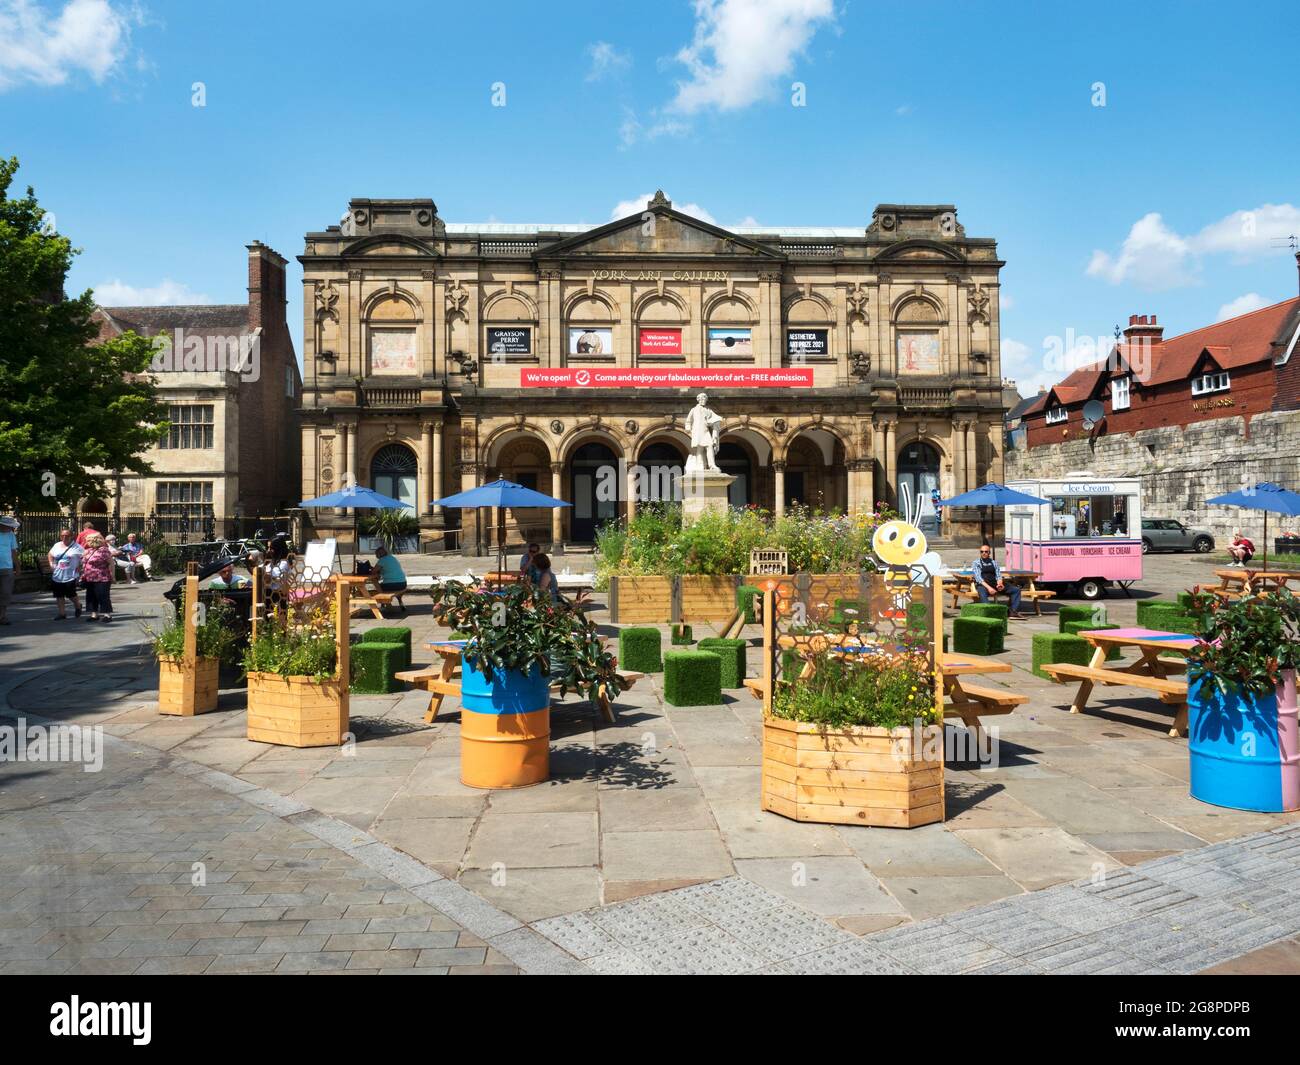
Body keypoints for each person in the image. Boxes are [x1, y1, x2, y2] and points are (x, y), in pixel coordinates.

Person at [974, 542, 1023, 618]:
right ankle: (990, 613)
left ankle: (1012, 611)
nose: (984, 553)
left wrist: (1000, 583)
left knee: (1016, 590)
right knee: (982, 594)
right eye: (982, 552)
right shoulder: (976, 563)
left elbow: (998, 575)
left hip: (994, 583)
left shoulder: (994, 562)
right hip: (983, 585)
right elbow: (978, 578)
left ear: (989, 553)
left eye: (986, 551)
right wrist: (989, 588)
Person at [49, 528, 83, 619]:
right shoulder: (57, 545)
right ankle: (62, 613)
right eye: (62, 535)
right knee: (59, 595)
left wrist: (79, 570)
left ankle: (78, 605)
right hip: (57, 575)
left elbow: (84, 558)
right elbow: (50, 554)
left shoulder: (77, 547)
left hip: (70, 575)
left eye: (67, 535)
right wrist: (51, 564)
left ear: (71, 536)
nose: (64, 537)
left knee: (71, 595)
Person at [81, 532, 115, 622]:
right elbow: (83, 562)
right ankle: (94, 614)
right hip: (89, 577)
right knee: (91, 596)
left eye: (88, 540)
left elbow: (111, 563)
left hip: (102, 577)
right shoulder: (88, 550)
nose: (87, 542)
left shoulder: (104, 550)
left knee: (103, 596)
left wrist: (113, 576)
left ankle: (107, 615)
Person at [0, 516, 18, 625]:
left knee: (5, 593)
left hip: (7, 568)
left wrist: (18, 567)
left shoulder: (11, 535)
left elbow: (13, 552)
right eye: (9, 526)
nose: (11, 528)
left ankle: (2, 616)